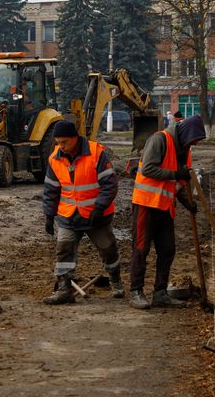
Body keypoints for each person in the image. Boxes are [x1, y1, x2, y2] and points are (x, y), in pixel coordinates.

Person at [42, 120, 123, 304]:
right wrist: (49, 214)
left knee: (108, 248)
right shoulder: (55, 158)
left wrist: (99, 207)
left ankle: (115, 280)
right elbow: (51, 189)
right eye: (58, 142)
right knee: (64, 250)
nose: (61, 146)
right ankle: (64, 289)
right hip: (68, 216)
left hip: (96, 215)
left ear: (75, 138)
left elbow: (110, 185)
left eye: (64, 142)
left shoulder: (96, 153)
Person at [130, 114, 206, 309]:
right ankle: (136, 292)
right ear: (187, 135)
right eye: (194, 140)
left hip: (165, 208)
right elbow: (148, 169)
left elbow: (178, 184)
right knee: (141, 249)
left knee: (167, 250)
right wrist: (175, 174)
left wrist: (187, 202)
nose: (194, 145)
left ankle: (160, 293)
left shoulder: (184, 150)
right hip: (146, 205)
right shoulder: (159, 140)